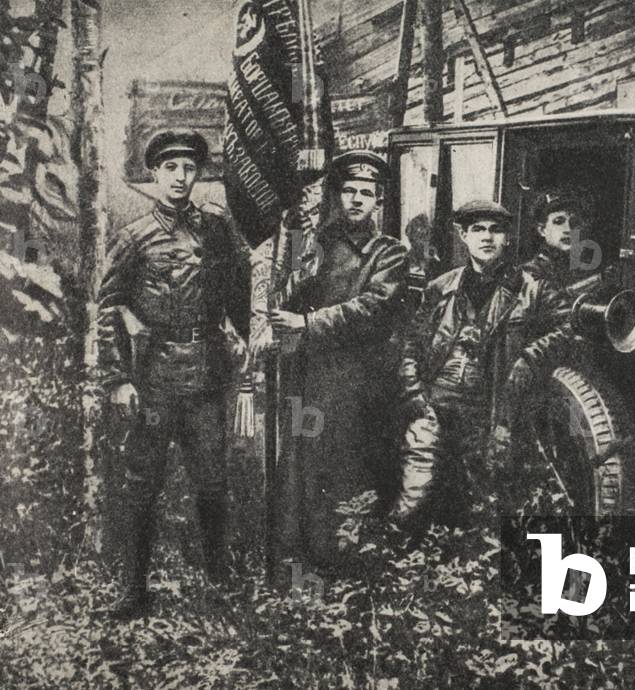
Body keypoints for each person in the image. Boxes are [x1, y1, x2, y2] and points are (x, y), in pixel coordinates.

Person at [98, 130, 250, 618]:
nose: (181, 178)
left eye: (189, 169)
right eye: (171, 169)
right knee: (142, 485)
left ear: (197, 174)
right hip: (154, 382)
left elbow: (237, 289)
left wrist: (248, 337)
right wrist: (118, 378)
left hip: (206, 377)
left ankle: (218, 582)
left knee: (212, 483)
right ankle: (133, 590)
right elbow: (108, 308)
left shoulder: (216, 228)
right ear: (155, 174)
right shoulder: (134, 237)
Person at [249, 150, 408, 575]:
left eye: (367, 193)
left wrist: (307, 322)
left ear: (378, 201)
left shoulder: (388, 254)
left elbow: (372, 308)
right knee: (301, 468)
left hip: (356, 385)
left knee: (346, 469)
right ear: (337, 196)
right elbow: (285, 285)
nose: (356, 199)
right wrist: (291, 237)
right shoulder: (315, 244)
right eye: (349, 191)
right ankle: (296, 565)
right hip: (306, 377)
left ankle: (344, 568)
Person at [395, 200, 572, 522]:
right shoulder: (440, 288)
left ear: (506, 238)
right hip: (434, 409)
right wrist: (415, 396)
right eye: (478, 229)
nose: (487, 237)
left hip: (487, 411)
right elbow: (411, 344)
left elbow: (569, 329)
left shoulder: (532, 290)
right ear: (463, 235)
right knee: (414, 500)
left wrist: (530, 358)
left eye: (496, 230)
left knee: (482, 506)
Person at [522, 190, 596, 292]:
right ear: (542, 230)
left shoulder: (583, 269)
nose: (568, 229)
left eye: (574, 222)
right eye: (559, 222)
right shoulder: (531, 272)